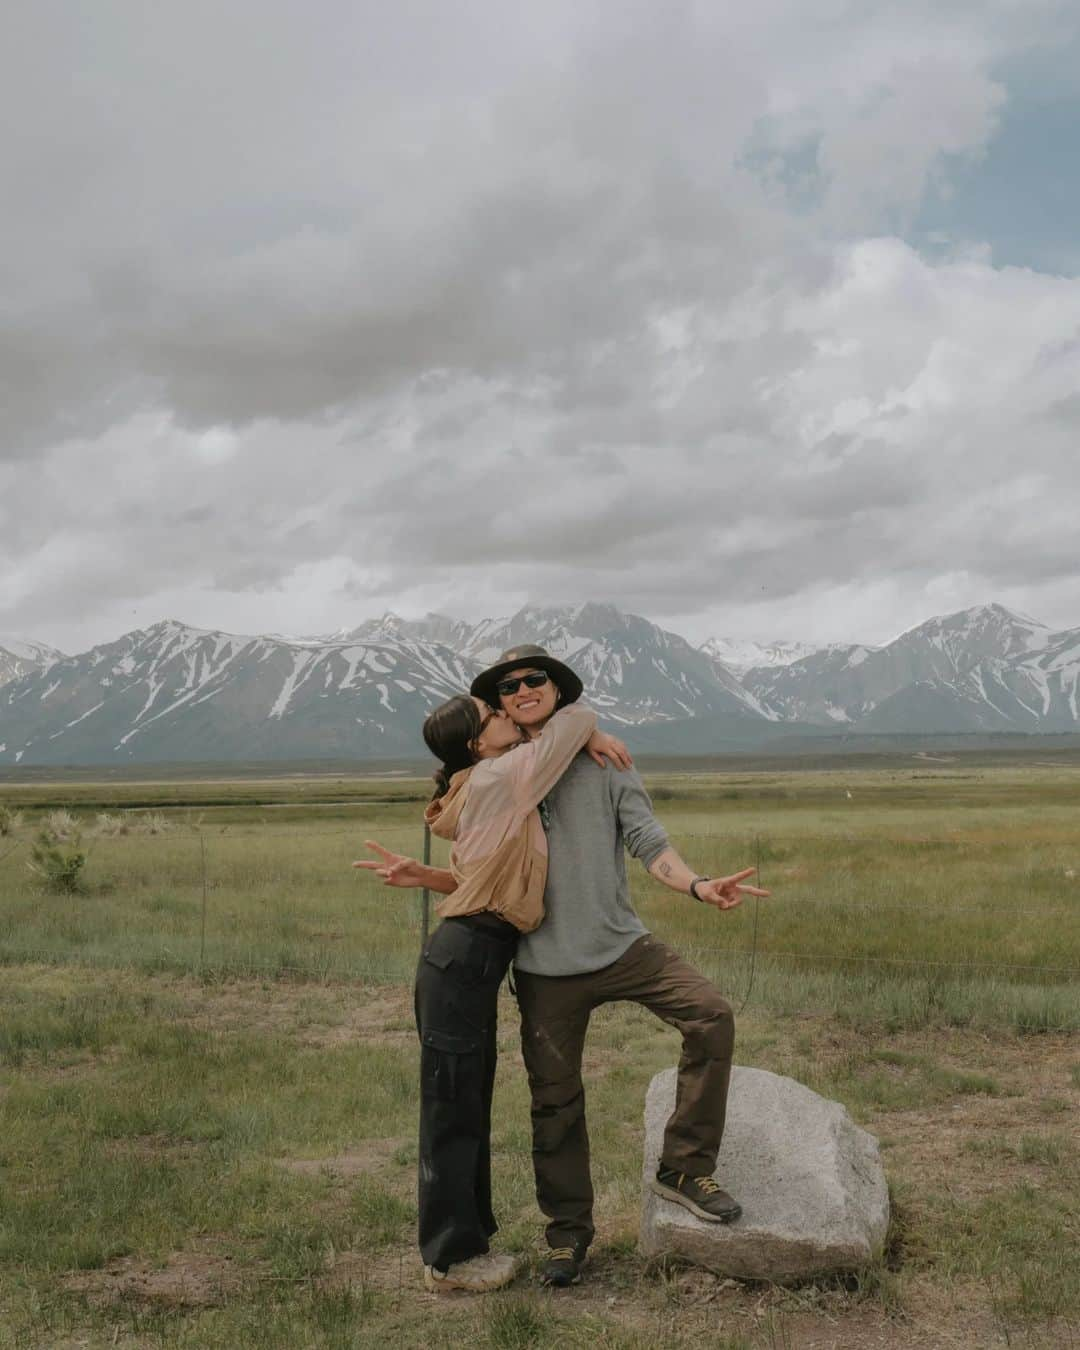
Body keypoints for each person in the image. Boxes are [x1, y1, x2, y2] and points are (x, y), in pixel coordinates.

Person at [360, 645, 768, 1290]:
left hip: (623, 945)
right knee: (555, 1103)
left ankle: (684, 1166)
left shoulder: (601, 761)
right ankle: (568, 1236)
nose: (521, 689)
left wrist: (696, 885)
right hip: (545, 969)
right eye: (506, 688)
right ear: (495, 712)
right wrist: (436, 877)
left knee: (711, 1015)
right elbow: (486, 877)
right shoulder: (508, 772)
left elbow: (648, 842)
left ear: (555, 688)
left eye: (534, 679)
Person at [355, 677, 630, 1294]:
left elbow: (478, 881)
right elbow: (566, 723)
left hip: (468, 961)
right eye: (492, 711)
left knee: (468, 1103)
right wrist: (593, 727)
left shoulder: (486, 779)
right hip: (464, 961)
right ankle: (451, 1260)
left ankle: (468, 1244)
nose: (506, 710)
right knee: (452, 1110)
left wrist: (426, 874)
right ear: (479, 744)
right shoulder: (504, 776)